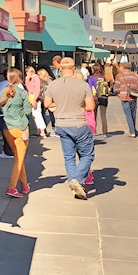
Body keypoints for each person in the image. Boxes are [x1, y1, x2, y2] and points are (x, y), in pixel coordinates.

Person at [43, 57, 95, 200]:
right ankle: (77, 179)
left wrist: (59, 107)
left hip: (61, 124)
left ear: (60, 68)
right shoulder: (82, 85)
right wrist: (79, 106)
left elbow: (47, 104)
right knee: (87, 155)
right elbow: (90, 107)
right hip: (78, 123)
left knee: (69, 157)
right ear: (74, 68)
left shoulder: (53, 85)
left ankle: (75, 184)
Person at [0, 68, 31, 198]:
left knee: (19, 157)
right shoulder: (22, 93)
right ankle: (12, 187)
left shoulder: (3, 91)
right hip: (21, 127)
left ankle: (24, 185)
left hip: (7, 127)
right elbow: (28, 111)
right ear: (19, 78)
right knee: (19, 159)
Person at [113, 61, 138, 137]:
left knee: (128, 114)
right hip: (133, 96)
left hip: (124, 97)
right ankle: (133, 129)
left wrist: (117, 94)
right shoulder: (135, 75)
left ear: (122, 67)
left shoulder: (119, 76)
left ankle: (132, 131)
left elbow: (116, 87)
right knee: (133, 114)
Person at [24, 66, 47, 137]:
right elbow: (28, 88)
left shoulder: (36, 78)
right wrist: (27, 80)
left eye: (28, 72)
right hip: (31, 98)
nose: (27, 74)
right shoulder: (30, 78)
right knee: (35, 115)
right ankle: (38, 131)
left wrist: (34, 100)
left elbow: (36, 89)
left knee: (37, 114)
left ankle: (42, 131)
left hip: (35, 99)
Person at [95, 65, 114, 137]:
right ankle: (105, 131)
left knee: (94, 115)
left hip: (95, 97)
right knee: (103, 115)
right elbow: (111, 83)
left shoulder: (91, 78)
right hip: (104, 97)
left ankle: (94, 131)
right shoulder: (105, 77)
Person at [37, 67, 56, 136]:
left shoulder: (49, 81)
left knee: (51, 114)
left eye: (39, 74)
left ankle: (52, 129)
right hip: (42, 99)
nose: (38, 76)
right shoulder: (41, 81)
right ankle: (45, 129)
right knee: (43, 114)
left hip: (48, 99)